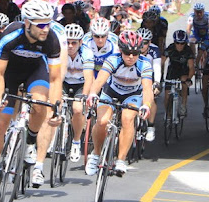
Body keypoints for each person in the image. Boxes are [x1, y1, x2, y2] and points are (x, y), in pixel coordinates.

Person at [0, 0, 63, 197]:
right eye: (41, 25)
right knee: (0, 122)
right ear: (27, 23)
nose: (46, 29)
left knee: (40, 101)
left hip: (35, 71)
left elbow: (55, 78)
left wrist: (55, 109)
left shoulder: (51, 39)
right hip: (10, 74)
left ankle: (31, 141)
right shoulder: (10, 36)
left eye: (48, 24)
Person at [85, 30, 153, 176]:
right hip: (111, 92)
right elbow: (100, 80)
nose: (131, 57)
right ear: (121, 50)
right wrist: (92, 93)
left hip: (132, 95)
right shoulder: (113, 60)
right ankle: (95, 154)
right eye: (127, 53)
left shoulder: (144, 64)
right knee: (102, 121)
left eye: (135, 53)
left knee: (127, 119)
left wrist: (146, 105)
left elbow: (147, 88)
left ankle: (121, 159)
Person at [62, 23, 94, 162]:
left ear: (80, 42)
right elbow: (54, 75)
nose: (70, 46)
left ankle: (76, 141)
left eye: (74, 43)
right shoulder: (60, 50)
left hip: (80, 84)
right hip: (64, 82)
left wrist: (83, 96)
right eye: (67, 42)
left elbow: (89, 78)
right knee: (54, 104)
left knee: (77, 109)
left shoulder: (87, 53)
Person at [161, 30, 195, 117]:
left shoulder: (188, 50)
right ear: (174, 42)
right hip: (172, 70)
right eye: (177, 43)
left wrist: (189, 79)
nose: (180, 45)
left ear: (185, 43)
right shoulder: (170, 48)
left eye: (182, 43)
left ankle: (183, 105)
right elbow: (161, 61)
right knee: (167, 95)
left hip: (183, 70)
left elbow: (191, 67)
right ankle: (168, 115)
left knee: (184, 81)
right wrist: (159, 75)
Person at [137, 28, 162, 141]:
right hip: (135, 75)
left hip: (149, 76)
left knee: (151, 99)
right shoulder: (133, 47)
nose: (142, 45)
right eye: (140, 42)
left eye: (145, 42)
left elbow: (157, 67)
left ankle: (151, 126)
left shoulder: (154, 50)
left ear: (150, 42)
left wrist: (157, 82)